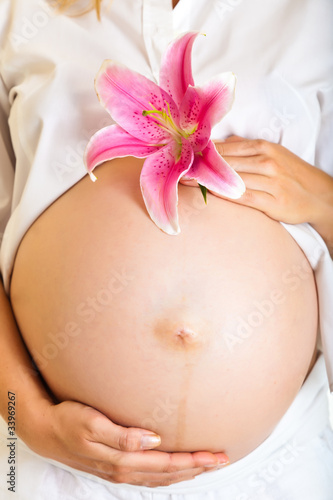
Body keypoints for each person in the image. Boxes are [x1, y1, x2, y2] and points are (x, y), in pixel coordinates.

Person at [0, 0, 332, 499]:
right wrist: (25, 419)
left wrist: (326, 200)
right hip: (57, 470)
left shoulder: (316, 16)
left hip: (278, 465)